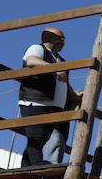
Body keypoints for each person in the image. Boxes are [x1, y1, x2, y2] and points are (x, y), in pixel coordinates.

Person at [18, 27, 78, 166]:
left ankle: (26, 168)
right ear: (48, 37)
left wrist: (74, 95)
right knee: (36, 138)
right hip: (36, 102)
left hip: (53, 106)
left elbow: (62, 84)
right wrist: (55, 68)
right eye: (60, 37)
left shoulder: (60, 60)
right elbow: (31, 61)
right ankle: (36, 165)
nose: (63, 41)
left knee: (41, 139)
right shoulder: (37, 48)